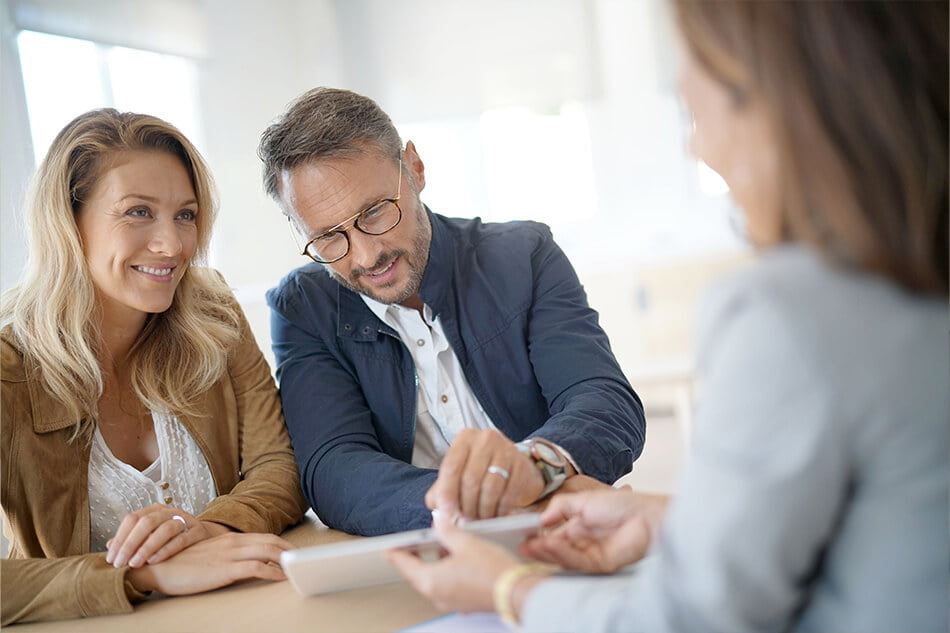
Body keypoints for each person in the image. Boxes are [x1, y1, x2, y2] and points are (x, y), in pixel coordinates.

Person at [387, 1, 949, 632]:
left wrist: (511, 588)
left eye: (698, 110)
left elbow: (691, 620)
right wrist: (670, 522)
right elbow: (888, 524)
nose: (698, 147)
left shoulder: (789, 318)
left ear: (781, 109)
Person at [258, 87, 645, 536]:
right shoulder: (303, 308)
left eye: (377, 212)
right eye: (327, 237)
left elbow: (604, 402)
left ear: (415, 168)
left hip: (564, 537)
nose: (365, 256)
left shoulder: (525, 256)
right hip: (421, 558)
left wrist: (533, 470)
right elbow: (335, 472)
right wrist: (487, 506)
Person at [1, 108, 307, 625]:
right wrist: (143, 575)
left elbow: (280, 468)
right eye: (138, 212)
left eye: (185, 215)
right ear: (69, 222)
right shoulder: (10, 370)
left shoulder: (214, 314)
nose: (173, 244)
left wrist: (210, 531)